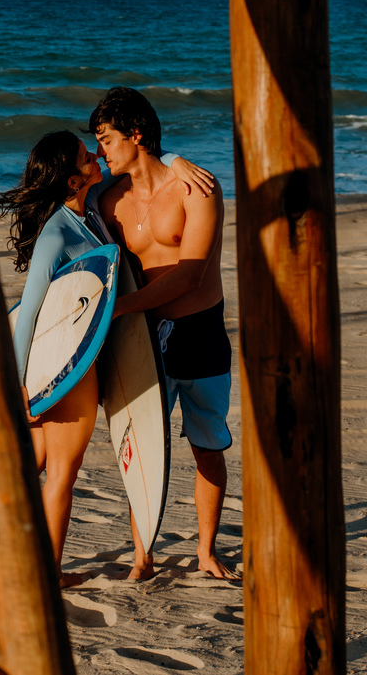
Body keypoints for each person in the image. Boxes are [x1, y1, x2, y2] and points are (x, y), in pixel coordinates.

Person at [0, 129, 211, 585]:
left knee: (26, 470)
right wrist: (18, 384)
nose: (96, 156)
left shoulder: (88, 209)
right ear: (72, 180)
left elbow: (138, 160)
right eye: (84, 156)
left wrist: (176, 159)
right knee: (61, 475)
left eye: (93, 148)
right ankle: (49, 574)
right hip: (64, 366)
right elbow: (31, 308)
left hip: (73, 358)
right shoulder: (56, 231)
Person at [90, 86, 239, 581]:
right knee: (142, 450)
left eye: (107, 140)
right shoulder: (106, 200)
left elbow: (190, 274)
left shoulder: (197, 189)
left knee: (207, 446)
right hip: (144, 339)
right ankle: (142, 556)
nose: (100, 152)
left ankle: (205, 551)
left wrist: (121, 308)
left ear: (136, 135)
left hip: (200, 332)